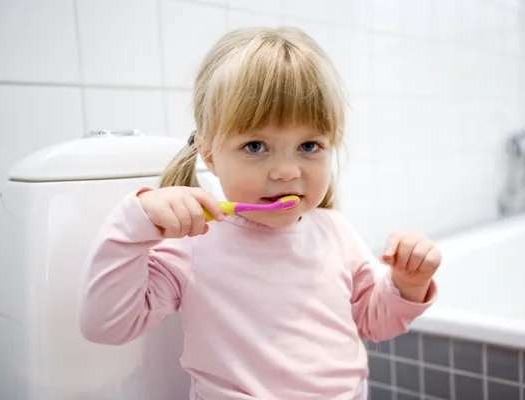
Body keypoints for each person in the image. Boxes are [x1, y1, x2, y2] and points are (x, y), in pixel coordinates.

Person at [77, 27, 441, 400]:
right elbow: (107, 326)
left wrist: (407, 284)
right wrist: (134, 224)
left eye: (309, 145)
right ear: (209, 155)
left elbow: (372, 321)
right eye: (255, 146)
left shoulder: (334, 231)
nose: (286, 171)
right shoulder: (195, 242)